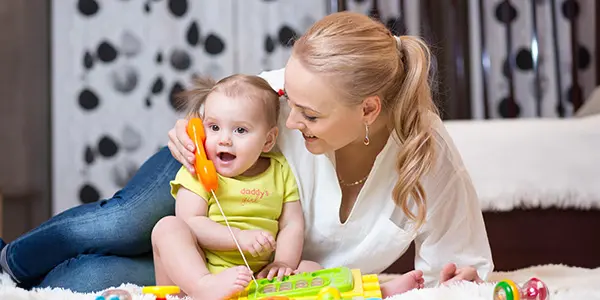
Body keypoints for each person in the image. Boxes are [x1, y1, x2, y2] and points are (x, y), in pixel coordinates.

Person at [0, 11, 492, 296]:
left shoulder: (428, 156)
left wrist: (458, 279)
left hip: (236, 272)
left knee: (94, 275)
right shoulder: (283, 100)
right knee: (119, 226)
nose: (290, 121)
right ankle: (9, 261)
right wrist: (195, 128)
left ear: (368, 109)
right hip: (211, 175)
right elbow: (228, 109)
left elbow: (463, 266)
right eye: (288, 101)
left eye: (310, 115)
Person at [152, 74, 307, 300]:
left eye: (240, 130)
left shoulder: (280, 171)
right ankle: (203, 287)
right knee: (167, 227)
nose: (224, 139)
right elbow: (191, 222)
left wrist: (282, 262)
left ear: (268, 140)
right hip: (196, 274)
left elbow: (292, 224)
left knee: (310, 266)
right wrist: (239, 238)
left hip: (255, 279)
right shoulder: (198, 170)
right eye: (214, 127)